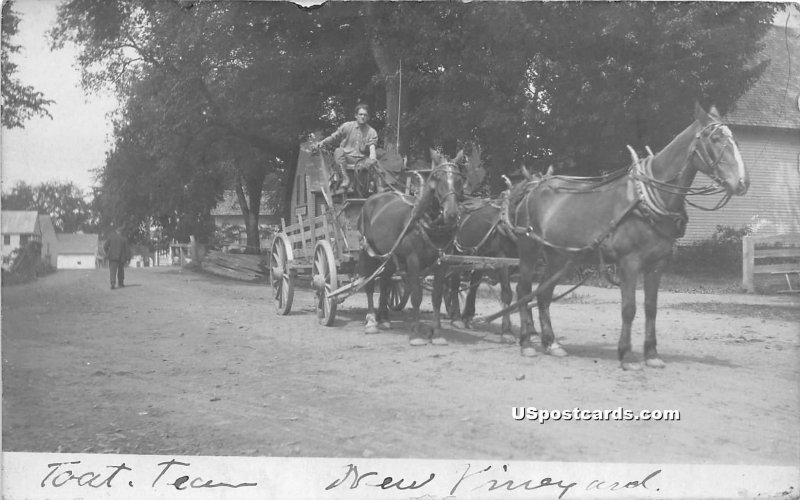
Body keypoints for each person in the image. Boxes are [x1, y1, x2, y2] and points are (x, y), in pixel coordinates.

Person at [313, 103, 378, 194]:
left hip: (362, 161)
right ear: (356, 115)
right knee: (338, 151)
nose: (363, 117)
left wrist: (372, 158)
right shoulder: (347, 126)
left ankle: (369, 188)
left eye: (365, 115)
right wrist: (322, 142)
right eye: (360, 114)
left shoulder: (371, 132)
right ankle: (345, 179)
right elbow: (334, 137)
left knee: (374, 164)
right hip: (346, 158)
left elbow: (372, 148)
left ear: (368, 117)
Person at [103, 224, 130, 290]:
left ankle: (113, 283)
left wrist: (108, 253)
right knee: (121, 270)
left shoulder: (111, 237)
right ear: (121, 232)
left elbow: (105, 246)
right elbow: (127, 250)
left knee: (112, 271)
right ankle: (120, 283)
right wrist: (128, 258)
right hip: (121, 258)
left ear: (116, 231)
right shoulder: (124, 239)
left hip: (112, 257)